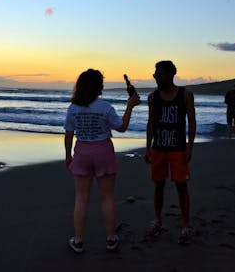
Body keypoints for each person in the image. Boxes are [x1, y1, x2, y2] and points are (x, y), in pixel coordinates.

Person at [64, 69, 140, 253]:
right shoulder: (105, 107)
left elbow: (68, 134)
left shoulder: (73, 108)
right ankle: (110, 238)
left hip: (82, 151)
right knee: (107, 197)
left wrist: (68, 156)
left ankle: (79, 241)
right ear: (98, 87)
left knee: (81, 198)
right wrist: (130, 106)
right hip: (103, 151)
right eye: (101, 83)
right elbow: (121, 127)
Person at [144, 60, 196, 245]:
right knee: (158, 185)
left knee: (181, 186)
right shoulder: (152, 97)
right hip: (158, 148)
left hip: (178, 149)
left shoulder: (185, 95)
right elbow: (151, 122)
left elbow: (191, 122)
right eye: (155, 73)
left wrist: (190, 147)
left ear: (171, 74)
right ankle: (158, 221)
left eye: (159, 73)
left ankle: (186, 225)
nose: (155, 76)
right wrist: (147, 147)